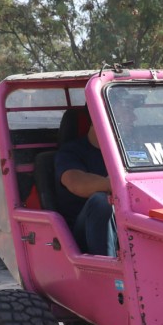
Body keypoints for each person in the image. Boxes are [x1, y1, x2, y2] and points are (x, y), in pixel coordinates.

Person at [54, 110, 116, 256]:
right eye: (125, 112)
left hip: (126, 222)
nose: (133, 118)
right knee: (101, 201)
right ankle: (106, 265)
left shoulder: (128, 152)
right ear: (98, 119)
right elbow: (77, 183)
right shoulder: (70, 152)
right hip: (81, 234)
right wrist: (116, 185)